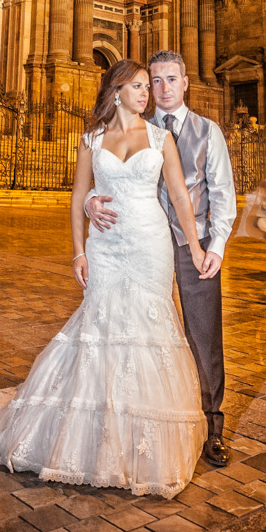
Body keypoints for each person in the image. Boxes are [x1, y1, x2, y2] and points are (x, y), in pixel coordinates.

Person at [0, 59, 208, 497]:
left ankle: (139, 438)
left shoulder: (161, 137)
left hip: (149, 243)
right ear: (116, 92)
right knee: (100, 326)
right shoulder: (91, 139)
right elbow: (79, 194)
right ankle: (97, 430)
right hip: (106, 246)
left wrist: (194, 247)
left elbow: (178, 194)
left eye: (148, 86)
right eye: (138, 86)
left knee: (147, 327)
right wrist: (79, 249)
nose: (147, 93)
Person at [83, 49, 235, 469]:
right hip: (142, 245)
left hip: (192, 245)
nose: (163, 88)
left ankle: (211, 427)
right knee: (137, 334)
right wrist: (92, 200)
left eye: (171, 79)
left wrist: (215, 247)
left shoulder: (207, 131)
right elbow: (107, 178)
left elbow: (222, 194)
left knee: (202, 335)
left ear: (185, 83)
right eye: (155, 80)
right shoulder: (136, 127)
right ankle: (139, 419)